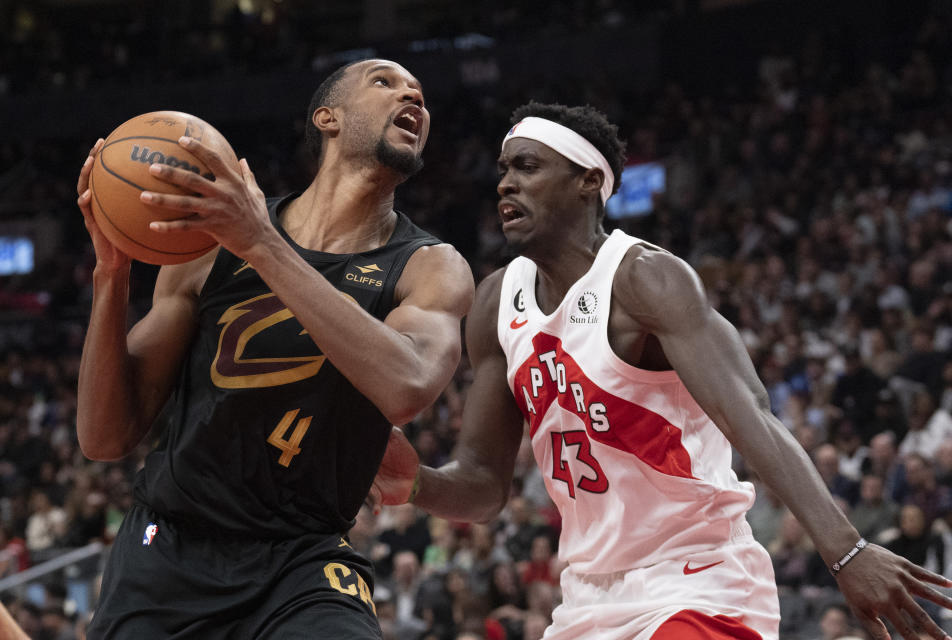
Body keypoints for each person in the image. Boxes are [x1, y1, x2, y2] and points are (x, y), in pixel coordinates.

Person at [370, 102, 952, 639]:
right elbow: (483, 484)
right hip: (585, 601)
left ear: (588, 182)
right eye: (502, 169)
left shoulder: (646, 279)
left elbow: (749, 415)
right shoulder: (498, 302)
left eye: (527, 166)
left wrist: (846, 551)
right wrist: (418, 482)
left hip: (696, 583)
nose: (506, 182)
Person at [74, 58, 473, 638]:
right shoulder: (209, 250)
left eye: (419, 92)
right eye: (384, 81)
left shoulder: (429, 267)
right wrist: (111, 275)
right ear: (327, 118)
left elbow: (406, 386)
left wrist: (261, 243)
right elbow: (104, 437)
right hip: (169, 550)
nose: (412, 92)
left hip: (305, 562)